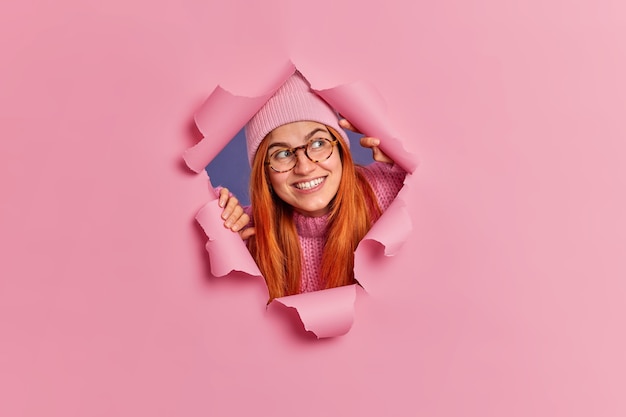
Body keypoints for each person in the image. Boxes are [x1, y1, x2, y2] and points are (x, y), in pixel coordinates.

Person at [217, 71, 406, 300]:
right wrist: (217, 219)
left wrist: (405, 157)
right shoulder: (247, 233)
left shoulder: (394, 188)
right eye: (283, 154)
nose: (304, 167)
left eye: (318, 143)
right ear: (264, 171)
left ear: (340, 149)